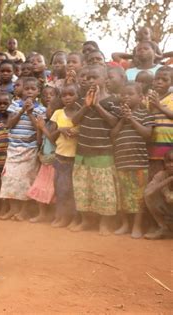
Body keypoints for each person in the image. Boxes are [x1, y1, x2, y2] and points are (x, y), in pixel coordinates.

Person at [71, 65, 119, 235]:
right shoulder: (81, 101)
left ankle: (104, 224)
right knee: (83, 190)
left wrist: (97, 105)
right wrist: (86, 105)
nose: (90, 81)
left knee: (104, 192)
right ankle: (86, 221)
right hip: (83, 153)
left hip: (103, 154)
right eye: (88, 78)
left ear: (105, 80)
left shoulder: (114, 101)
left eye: (94, 77)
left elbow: (114, 123)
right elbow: (74, 121)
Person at [111, 82, 154, 238]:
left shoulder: (146, 114)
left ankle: (137, 226)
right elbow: (113, 135)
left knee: (138, 197)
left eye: (130, 94)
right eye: (123, 94)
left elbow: (147, 134)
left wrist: (132, 119)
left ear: (141, 97)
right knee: (123, 196)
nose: (126, 97)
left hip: (139, 162)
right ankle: (125, 224)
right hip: (121, 161)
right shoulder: (118, 116)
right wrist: (123, 119)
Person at [0, 77, 46, 221]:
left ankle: (24, 211)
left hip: (30, 149)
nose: (30, 91)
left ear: (38, 91)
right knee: (10, 179)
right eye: (27, 89)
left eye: (33, 89)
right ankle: (14, 209)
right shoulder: (14, 105)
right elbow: (9, 124)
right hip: (13, 148)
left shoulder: (41, 109)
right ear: (21, 90)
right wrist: (22, 111)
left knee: (25, 181)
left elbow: (39, 127)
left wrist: (30, 112)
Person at [49, 84, 80, 228]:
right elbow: (51, 137)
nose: (67, 97)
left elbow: (86, 132)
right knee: (60, 189)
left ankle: (72, 218)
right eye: (64, 95)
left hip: (76, 158)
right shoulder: (58, 113)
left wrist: (77, 133)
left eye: (71, 94)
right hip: (60, 157)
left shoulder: (81, 113)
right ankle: (60, 216)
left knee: (72, 190)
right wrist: (60, 129)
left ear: (77, 95)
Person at [27, 98, 58, 223]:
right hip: (45, 161)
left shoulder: (56, 124)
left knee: (53, 190)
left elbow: (53, 140)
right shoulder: (47, 123)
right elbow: (39, 142)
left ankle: (54, 215)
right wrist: (39, 128)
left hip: (54, 161)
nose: (47, 110)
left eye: (49, 108)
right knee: (40, 187)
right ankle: (42, 214)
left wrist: (43, 127)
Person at [147, 66, 173, 178]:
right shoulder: (147, 98)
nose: (159, 82)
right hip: (152, 149)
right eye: (157, 79)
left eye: (164, 80)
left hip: (170, 148)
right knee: (154, 177)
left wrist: (159, 106)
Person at [144, 149, 173, 239]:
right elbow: (148, 193)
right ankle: (164, 229)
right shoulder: (161, 175)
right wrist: (168, 180)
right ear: (164, 164)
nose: (171, 165)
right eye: (169, 162)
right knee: (149, 196)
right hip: (169, 209)